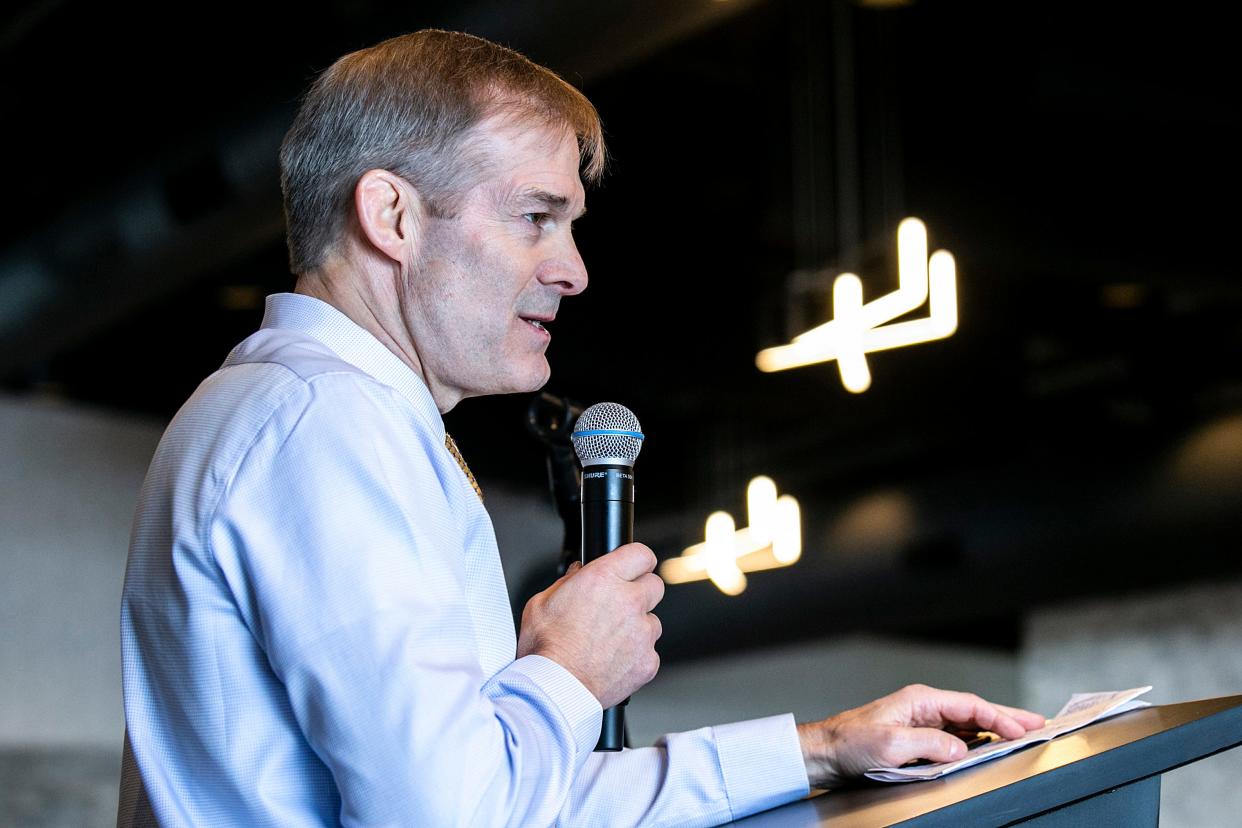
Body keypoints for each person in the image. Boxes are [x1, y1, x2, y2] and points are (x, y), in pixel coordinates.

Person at [118, 29, 1043, 826]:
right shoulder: (322, 428)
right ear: (391, 215)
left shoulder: (319, 416)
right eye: (535, 218)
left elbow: (519, 798)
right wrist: (564, 671)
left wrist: (826, 748)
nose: (573, 271)